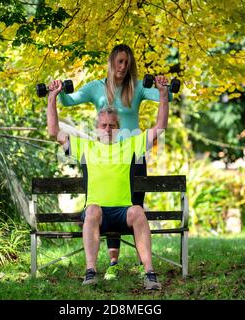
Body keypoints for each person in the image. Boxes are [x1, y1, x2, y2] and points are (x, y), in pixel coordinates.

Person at [58, 44, 174, 280]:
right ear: (111, 62)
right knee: (104, 200)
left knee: (132, 206)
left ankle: (145, 264)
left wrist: (164, 87)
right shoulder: (96, 88)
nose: (123, 67)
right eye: (120, 62)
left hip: (134, 153)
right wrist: (58, 90)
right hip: (106, 155)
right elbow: (68, 101)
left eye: (127, 63)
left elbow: (167, 95)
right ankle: (114, 261)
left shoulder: (138, 87)